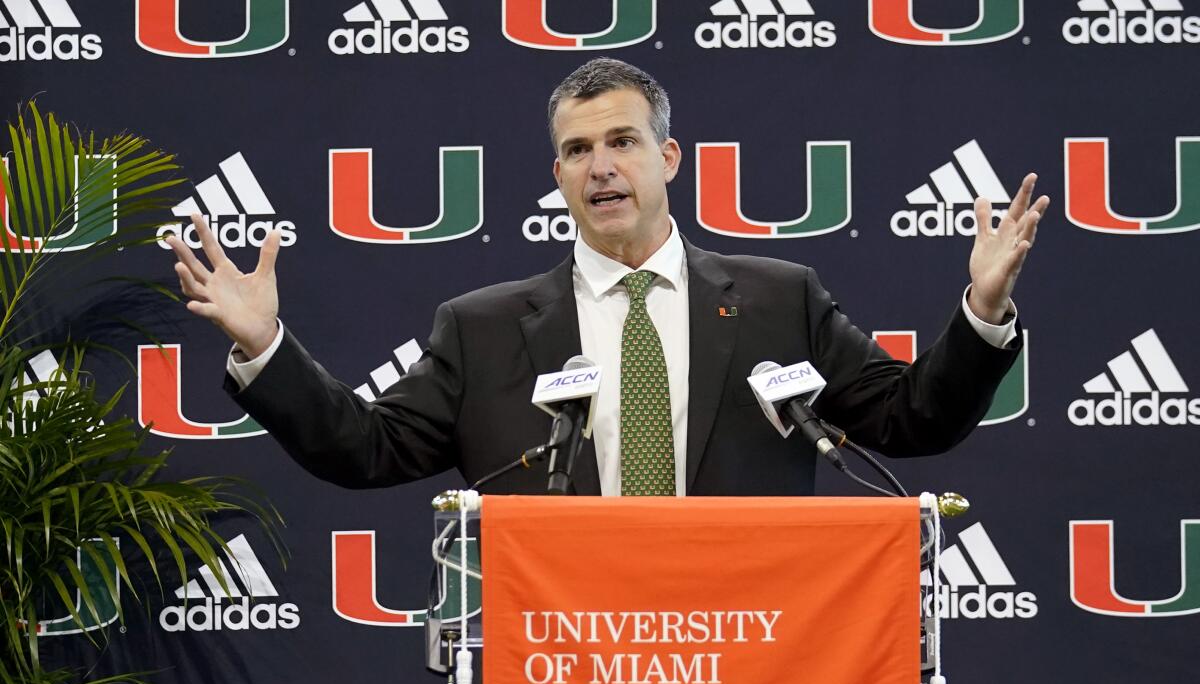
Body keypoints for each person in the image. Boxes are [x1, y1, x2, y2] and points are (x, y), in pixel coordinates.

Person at [167, 58, 1049, 497]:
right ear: (557, 176)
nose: (601, 167)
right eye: (577, 150)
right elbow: (364, 450)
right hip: (568, 655)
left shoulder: (783, 299)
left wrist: (983, 308)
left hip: (753, 646)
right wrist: (264, 348)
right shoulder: (482, 327)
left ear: (667, 157)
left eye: (622, 142)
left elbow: (913, 419)